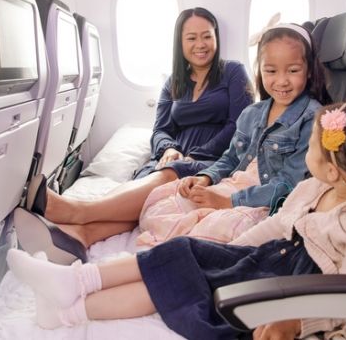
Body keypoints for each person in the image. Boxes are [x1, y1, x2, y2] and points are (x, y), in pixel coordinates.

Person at [6, 101, 346, 339]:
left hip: (280, 289)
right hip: (261, 260)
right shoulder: (312, 188)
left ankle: (65, 313)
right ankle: (76, 281)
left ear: (334, 171)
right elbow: (275, 227)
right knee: (183, 250)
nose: (307, 154)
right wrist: (228, 251)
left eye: (312, 149)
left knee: (175, 283)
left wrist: (299, 322)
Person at [16, 7, 253, 256]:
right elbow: (160, 129)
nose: (200, 44)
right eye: (191, 38)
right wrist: (168, 148)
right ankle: (80, 236)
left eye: (206, 36)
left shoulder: (233, 72)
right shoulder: (173, 82)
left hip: (214, 159)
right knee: (147, 188)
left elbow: (239, 126)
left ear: (216, 37)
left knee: (166, 176)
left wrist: (195, 155)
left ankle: (78, 211)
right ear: (180, 43)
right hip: (175, 157)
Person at [137, 23, 330, 246]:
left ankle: (181, 247)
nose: (282, 81)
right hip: (232, 186)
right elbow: (230, 159)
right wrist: (205, 178)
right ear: (260, 70)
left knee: (217, 228)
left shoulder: (312, 119)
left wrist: (227, 201)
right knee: (160, 204)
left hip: (262, 202)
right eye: (271, 71)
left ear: (309, 70)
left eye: (293, 70)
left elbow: (289, 185)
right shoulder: (252, 113)